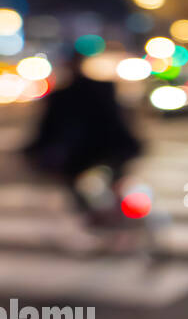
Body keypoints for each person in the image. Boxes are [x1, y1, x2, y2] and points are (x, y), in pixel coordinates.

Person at [23, 50, 144, 230]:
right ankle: (118, 214)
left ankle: (102, 218)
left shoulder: (63, 96)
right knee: (115, 179)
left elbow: (50, 127)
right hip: (118, 146)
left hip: (88, 152)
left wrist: (34, 149)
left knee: (77, 183)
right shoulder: (103, 88)